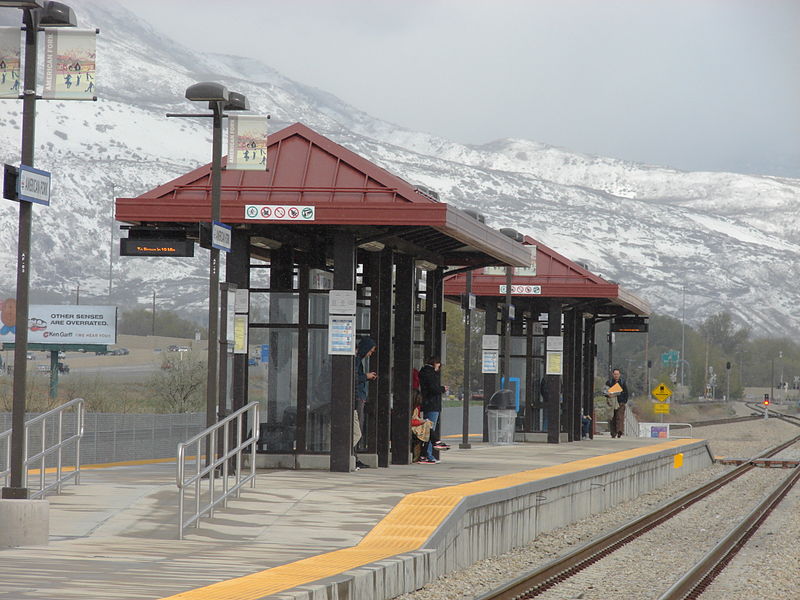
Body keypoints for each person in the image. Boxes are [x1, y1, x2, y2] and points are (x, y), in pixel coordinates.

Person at [418, 356, 449, 464]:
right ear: (435, 363)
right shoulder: (430, 374)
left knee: (428, 428)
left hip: (427, 403)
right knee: (430, 429)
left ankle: (425, 454)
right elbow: (433, 388)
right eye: (438, 365)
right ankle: (427, 455)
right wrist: (442, 389)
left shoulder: (424, 372)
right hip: (432, 404)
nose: (439, 367)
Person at [354, 336, 377, 469]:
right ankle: (353, 456)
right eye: (371, 351)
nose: (370, 354)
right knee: (357, 429)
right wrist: (366, 377)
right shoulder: (356, 361)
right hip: (358, 398)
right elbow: (353, 377)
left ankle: (354, 456)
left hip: (360, 397)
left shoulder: (358, 360)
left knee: (358, 429)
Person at [605, 368, 629, 438]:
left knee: (620, 417)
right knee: (612, 417)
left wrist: (624, 401)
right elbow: (605, 392)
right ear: (613, 374)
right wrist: (609, 395)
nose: (616, 376)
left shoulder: (622, 382)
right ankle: (613, 432)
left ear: (619, 374)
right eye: (615, 374)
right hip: (612, 403)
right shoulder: (609, 382)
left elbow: (626, 393)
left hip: (620, 403)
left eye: (617, 374)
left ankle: (619, 431)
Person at [410, 390, 432, 463]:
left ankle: (423, 455)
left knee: (427, 426)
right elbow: (410, 421)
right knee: (427, 429)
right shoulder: (410, 409)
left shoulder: (415, 408)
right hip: (410, 429)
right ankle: (435, 442)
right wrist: (420, 422)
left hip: (413, 427)